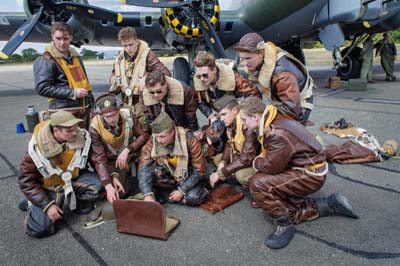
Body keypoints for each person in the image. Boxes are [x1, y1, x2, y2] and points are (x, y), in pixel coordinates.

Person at [239, 96, 358, 249]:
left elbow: (270, 167)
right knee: (285, 207)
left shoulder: (277, 132)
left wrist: (256, 161)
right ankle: (328, 204)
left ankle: (284, 225)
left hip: (309, 174)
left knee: (258, 183)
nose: (242, 124)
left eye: (243, 119)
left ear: (255, 117)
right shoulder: (272, 117)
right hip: (306, 167)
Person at [19, 111, 102, 238]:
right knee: (40, 230)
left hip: (72, 179)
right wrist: (47, 205)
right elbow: (26, 181)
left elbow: (97, 160)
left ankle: (77, 201)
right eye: (69, 131)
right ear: (56, 131)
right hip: (48, 187)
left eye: (75, 128)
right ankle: (33, 204)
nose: (75, 133)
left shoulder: (81, 137)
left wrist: (108, 182)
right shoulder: (35, 149)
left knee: (99, 186)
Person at [234, 33, 314, 125]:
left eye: (248, 58)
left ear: (261, 53)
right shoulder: (263, 62)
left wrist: (263, 116)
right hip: (285, 101)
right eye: (242, 59)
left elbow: (292, 109)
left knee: (279, 135)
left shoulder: (282, 75)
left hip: (298, 106)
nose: (245, 63)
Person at [137, 112, 208, 206]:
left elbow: (199, 171)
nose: (158, 140)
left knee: (193, 198)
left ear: (172, 132)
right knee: (148, 187)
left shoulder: (190, 140)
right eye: (156, 137)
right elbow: (144, 168)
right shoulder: (153, 142)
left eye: (162, 136)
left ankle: (199, 190)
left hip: (187, 175)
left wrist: (182, 190)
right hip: (168, 175)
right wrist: (147, 195)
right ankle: (169, 195)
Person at [33, 22, 94, 129]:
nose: (62, 43)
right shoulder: (46, 60)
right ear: (52, 37)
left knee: (86, 141)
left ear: (71, 37)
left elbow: (85, 83)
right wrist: (72, 93)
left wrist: (92, 105)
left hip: (83, 110)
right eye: (58, 38)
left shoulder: (75, 57)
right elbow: (42, 88)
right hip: (63, 114)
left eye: (65, 39)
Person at [89, 94, 149, 204]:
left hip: (130, 152)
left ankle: (147, 181)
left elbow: (144, 135)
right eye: (107, 117)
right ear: (101, 114)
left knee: (147, 149)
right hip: (113, 160)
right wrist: (108, 184)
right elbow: (99, 158)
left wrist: (128, 149)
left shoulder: (128, 116)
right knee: (121, 193)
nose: (112, 119)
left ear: (119, 110)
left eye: (114, 115)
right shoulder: (95, 127)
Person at [109, 27, 171, 124]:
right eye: (125, 46)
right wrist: (113, 79)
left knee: (146, 129)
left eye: (131, 45)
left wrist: (147, 78)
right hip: (125, 101)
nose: (128, 49)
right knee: (128, 131)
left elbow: (166, 73)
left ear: (137, 41)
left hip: (143, 102)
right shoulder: (119, 58)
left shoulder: (148, 55)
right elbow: (114, 72)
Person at [208, 96, 259, 194]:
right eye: (220, 116)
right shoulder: (232, 122)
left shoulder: (247, 124)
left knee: (241, 175)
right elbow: (230, 143)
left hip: (254, 159)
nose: (221, 119)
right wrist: (223, 162)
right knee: (218, 159)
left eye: (224, 114)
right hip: (241, 154)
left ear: (235, 110)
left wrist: (221, 173)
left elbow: (246, 158)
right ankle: (232, 175)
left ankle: (255, 189)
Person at [193, 51, 261, 123]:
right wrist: (210, 115)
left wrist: (241, 113)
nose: (201, 79)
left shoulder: (233, 78)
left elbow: (255, 94)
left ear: (214, 70)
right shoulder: (199, 81)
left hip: (237, 112)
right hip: (220, 114)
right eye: (198, 75)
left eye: (205, 75)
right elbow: (199, 101)